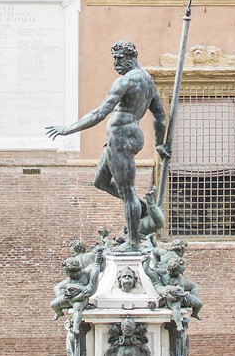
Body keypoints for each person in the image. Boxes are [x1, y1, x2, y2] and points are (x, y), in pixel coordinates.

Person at [46, 40, 169, 251]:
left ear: (131, 57)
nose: (116, 63)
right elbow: (160, 116)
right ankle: (140, 207)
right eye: (114, 59)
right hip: (124, 137)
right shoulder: (148, 81)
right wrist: (159, 144)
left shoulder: (125, 82)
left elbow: (99, 113)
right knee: (100, 181)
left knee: (126, 191)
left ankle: (132, 242)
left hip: (121, 137)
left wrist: (68, 129)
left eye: (120, 59)